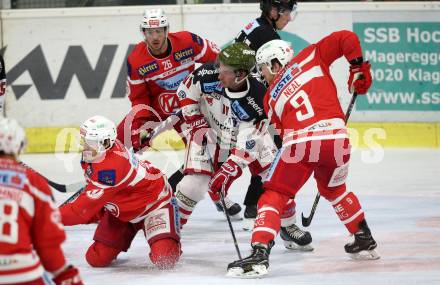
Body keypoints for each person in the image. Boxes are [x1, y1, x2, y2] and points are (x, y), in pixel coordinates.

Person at [224, 33, 379, 277]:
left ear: (276, 63)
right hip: (338, 140)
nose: (261, 75)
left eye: (263, 69)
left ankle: (259, 252)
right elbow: (346, 38)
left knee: (275, 193)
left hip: (302, 142)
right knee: (334, 189)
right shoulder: (312, 55)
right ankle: (363, 236)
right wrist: (357, 66)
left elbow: (284, 136)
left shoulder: (269, 98)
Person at [174, 42, 306, 248]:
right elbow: (184, 92)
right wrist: (195, 121)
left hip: (242, 140)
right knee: (192, 185)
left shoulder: (259, 96)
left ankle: (288, 226)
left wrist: (231, 165)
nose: (218, 75)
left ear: (241, 74)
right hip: (207, 131)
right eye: (219, 67)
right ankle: (171, 233)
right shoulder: (207, 72)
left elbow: (251, 139)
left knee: (275, 180)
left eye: (225, 71)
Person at [117, 8, 242, 216]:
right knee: (121, 138)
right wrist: (140, 127)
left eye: (159, 31)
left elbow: (220, 61)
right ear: (143, 33)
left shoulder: (187, 41)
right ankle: (105, 179)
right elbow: (139, 98)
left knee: (205, 152)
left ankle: (218, 194)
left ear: (166, 30)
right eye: (149, 32)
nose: (154, 37)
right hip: (157, 111)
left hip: (188, 106)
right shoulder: (136, 60)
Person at [59, 115, 181, 269]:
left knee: (165, 259)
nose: (84, 146)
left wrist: (45, 216)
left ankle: (169, 224)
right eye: (84, 140)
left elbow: (79, 212)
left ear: (105, 143)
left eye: (89, 142)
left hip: (154, 205)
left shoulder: (110, 170)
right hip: (122, 210)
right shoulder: (100, 150)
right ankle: (119, 221)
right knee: (96, 258)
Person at [234, 0, 307, 238]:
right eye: (288, 13)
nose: (289, 18)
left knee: (259, 155)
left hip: (240, 99)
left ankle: (254, 207)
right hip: (251, 102)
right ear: (273, 11)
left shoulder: (256, 26)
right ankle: (259, 211)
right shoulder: (267, 35)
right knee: (274, 155)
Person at [0, 118, 83, 285]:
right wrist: (67, 276)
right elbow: (48, 245)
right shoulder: (33, 183)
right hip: (22, 274)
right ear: (19, 145)